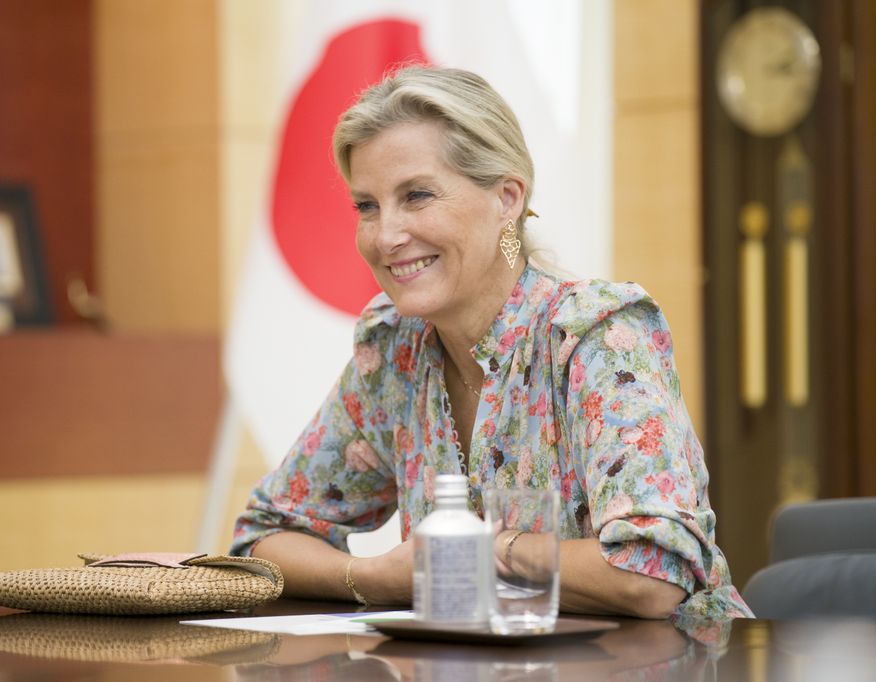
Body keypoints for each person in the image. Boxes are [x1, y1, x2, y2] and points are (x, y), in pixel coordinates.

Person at [232, 65, 752, 620]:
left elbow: (650, 575)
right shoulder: (393, 351)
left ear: (507, 199)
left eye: (417, 195)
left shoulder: (597, 334)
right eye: (367, 206)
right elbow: (264, 537)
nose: (385, 236)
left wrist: (478, 553)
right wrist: (371, 578)